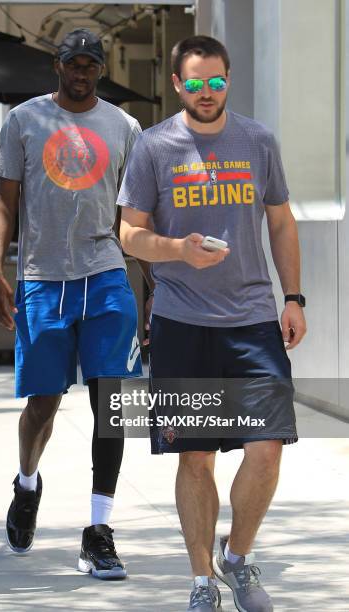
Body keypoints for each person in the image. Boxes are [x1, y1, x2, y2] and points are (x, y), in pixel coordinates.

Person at [118, 35, 306, 612]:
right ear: (178, 84)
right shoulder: (154, 147)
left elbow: (280, 221)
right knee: (195, 456)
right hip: (181, 322)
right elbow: (128, 233)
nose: (206, 91)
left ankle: (238, 557)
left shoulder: (257, 140)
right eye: (195, 82)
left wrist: (294, 297)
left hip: (252, 320)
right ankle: (202, 580)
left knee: (267, 447)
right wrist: (177, 250)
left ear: (229, 79)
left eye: (216, 81)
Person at [0, 28, 145, 580]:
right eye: (73, 64)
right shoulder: (24, 121)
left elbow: (138, 214)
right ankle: (27, 482)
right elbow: (4, 203)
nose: (82, 73)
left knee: (114, 406)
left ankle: (99, 531)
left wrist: (149, 283)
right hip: (43, 279)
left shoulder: (125, 127)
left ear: (99, 71)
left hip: (105, 275)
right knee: (43, 406)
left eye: (91, 66)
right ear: (57, 65)